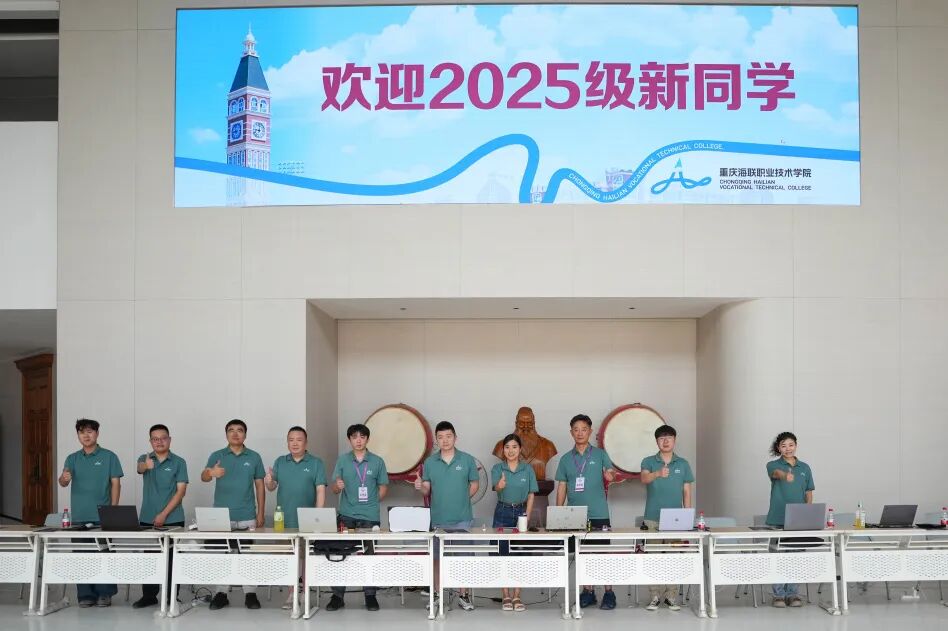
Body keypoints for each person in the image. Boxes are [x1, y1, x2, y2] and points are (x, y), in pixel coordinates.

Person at [555, 413, 618, 610]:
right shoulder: (566, 459)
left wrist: (610, 475)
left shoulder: (600, 455)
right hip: (575, 515)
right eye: (576, 429)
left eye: (584, 429)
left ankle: (609, 593)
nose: (580, 433)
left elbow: (611, 473)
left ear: (590, 431)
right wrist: (559, 514)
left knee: (602, 555)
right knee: (582, 555)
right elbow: (562, 486)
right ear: (571, 432)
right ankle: (588, 592)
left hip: (599, 513)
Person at [201, 419, 266, 610]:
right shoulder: (217, 455)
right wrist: (211, 473)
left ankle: (250, 594)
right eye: (231, 430)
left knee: (247, 556)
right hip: (221, 516)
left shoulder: (254, 457)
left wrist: (261, 513)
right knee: (223, 557)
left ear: (245, 434)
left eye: (239, 430)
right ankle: (221, 594)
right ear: (226, 434)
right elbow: (203, 477)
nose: (235, 433)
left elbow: (260, 486)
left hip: (247, 514)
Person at [415, 420, 479, 612]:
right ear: (436, 440)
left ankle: (463, 595)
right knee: (436, 558)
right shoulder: (430, 462)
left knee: (463, 558)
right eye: (441, 437)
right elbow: (427, 490)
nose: (445, 440)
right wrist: (420, 486)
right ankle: (437, 594)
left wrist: (461, 499)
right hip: (438, 518)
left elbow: (474, 484)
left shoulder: (467, 459)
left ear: (455, 438)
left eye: (448, 436)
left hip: (462, 517)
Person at [58, 418, 123, 607]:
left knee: (104, 555)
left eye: (89, 431)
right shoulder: (72, 458)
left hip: (102, 516)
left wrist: (113, 511)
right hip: (79, 517)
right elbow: (63, 482)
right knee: (81, 556)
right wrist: (63, 478)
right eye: (81, 432)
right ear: (78, 435)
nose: (86, 435)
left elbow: (116, 484)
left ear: (97, 433)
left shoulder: (109, 456)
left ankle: (105, 594)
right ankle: (85, 595)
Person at [327, 423, 389, 612]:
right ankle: (337, 596)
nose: (358, 440)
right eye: (354, 437)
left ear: (367, 439)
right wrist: (337, 486)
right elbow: (334, 489)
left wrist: (371, 502)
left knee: (369, 556)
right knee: (339, 556)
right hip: (346, 515)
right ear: (350, 440)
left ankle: (370, 596)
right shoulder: (343, 460)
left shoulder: (377, 461)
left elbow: (383, 487)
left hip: (370, 516)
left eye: (362, 437)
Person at [265, 425, 326, 609]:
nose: (295, 443)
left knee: (306, 557)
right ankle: (292, 594)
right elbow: (271, 487)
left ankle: (305, 592)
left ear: (306, 443)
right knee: (288, 557)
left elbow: (320, 490)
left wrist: (317, 516)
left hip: (307, 519)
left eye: (299, 440)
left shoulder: (315, 463)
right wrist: (269, 481)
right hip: (283, 519)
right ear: (287, 442)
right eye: (291, 440)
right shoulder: (280, 461)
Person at [133, 423, 188, 609]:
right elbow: (140, 468)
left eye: (163, 438)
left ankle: (172, 597)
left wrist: (164, 514)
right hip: (147, 517)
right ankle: (149, 596)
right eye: (155, 439)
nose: (159, 442)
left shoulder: (179, 462)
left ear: (169, 440)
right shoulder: (145, 458)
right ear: (150, 441)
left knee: (173, 559)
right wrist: (145, 466)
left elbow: (181, 491)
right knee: (149, 559)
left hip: (173, 518)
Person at [639, 424, 694, 612]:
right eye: (661, 438)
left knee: (673, 558)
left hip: (676, 520)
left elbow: (687, 492)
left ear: (674, 440)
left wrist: (688, 517)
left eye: (669, 437)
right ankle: (654, 596)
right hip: (652, 518)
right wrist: (657, 474)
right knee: (653, 558)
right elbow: (644, 479)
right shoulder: (648, 461)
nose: (665, 441)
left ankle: (671, 596)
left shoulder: (683, 464)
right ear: (657, 441)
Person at [766, 431, 814, 608]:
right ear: (779, 448)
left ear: (796, 445)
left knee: (795, 558)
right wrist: (785, 476)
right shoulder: (773, 465)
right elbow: (776, 473)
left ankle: (793, 594)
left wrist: (808, 513)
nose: (788, 449)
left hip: (798, 521)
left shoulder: (805, 468)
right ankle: (778, 595)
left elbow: (809, 492)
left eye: (791, 445)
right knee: (778, 558)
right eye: (784, 446)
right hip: (777, 519)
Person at [492, 433, 538, 612]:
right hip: (502, 511)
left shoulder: (527, 469)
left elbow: (531, 494)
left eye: (514, 447)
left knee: (521, 554)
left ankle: (517, 595)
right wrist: (500, 486)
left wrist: (526, 516)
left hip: (521, 512)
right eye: (507, 447)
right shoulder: (498, 468)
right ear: (503, 450)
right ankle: (505, 594)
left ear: (520, 449)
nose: (510, 451)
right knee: (501, 553)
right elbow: (496, 488)